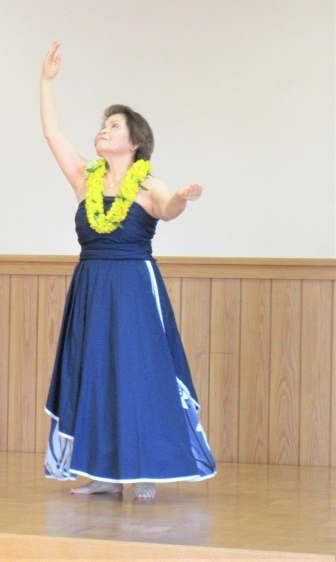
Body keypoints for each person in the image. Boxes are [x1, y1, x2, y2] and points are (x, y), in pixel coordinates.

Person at [39, 42, 216, 499]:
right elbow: (52, 133)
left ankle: (143, 467)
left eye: (113, 125)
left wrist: (183, 198)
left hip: (134, 285)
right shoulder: (85, 179)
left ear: (133, 141)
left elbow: (168, 209)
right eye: (103, 125)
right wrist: (46, 82)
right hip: (91, 287)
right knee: (95, 373)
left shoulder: (149, 184)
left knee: (137, 372)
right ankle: (102, 474)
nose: (103, 130)